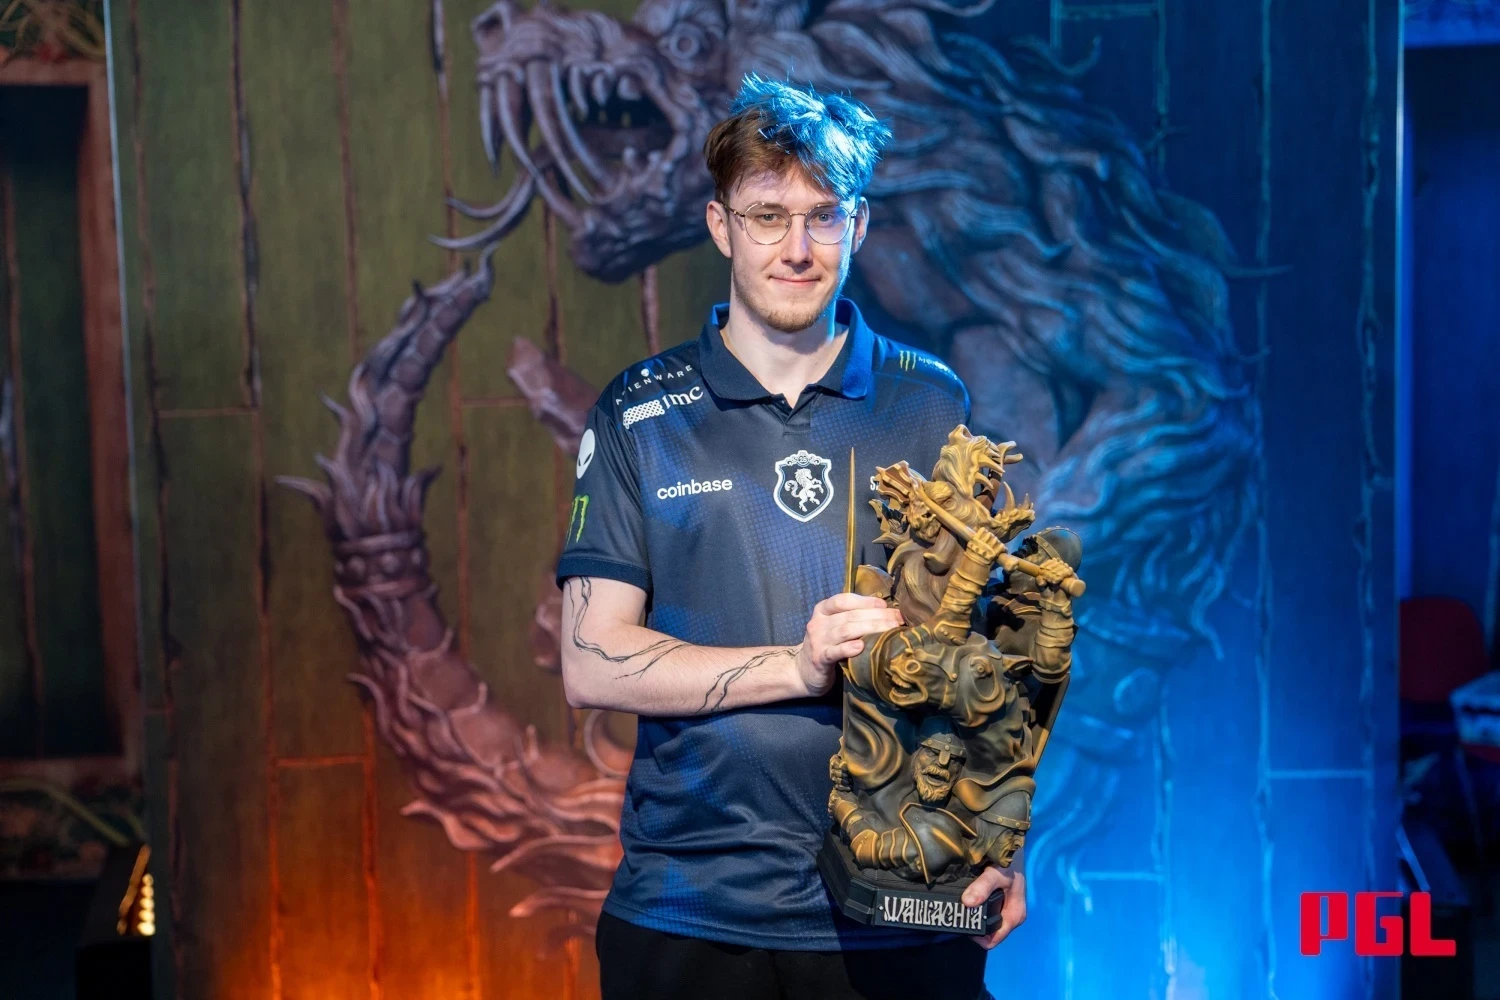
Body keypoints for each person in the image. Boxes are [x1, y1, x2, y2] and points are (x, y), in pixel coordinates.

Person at [556, 75, 1024, 1000]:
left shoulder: (932, 403)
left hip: (902, 909)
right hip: (690, 912)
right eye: (768, 217)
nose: (797, 248)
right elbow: (591, 661)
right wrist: (800, 667)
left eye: (823, 216)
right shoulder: (640, 414)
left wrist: (1006, 836)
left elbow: (989, 658)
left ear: (859, 225)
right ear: (721, 226)